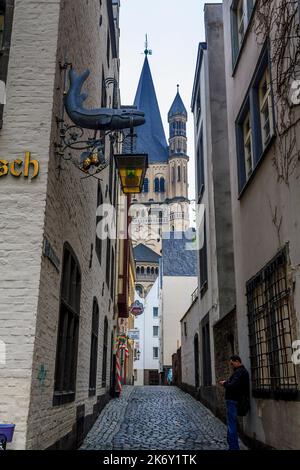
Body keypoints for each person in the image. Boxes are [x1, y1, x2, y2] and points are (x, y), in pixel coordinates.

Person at [219, 355, 250, 451]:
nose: (231, 365)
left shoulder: (240, 372)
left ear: (237, 361)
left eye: (232, 363)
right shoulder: (240, 372)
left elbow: (233, 386)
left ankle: (233, 447)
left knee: (232, 425)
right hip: (235, 401)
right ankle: (232, 445)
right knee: (231, 424)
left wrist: (224, 383)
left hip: (233, 401)